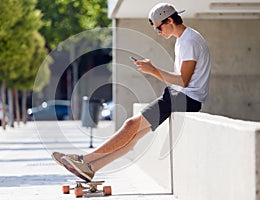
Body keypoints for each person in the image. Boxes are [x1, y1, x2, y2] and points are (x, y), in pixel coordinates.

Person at [52, 3, 211, 182]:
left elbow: (183, 80)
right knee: (133, 137)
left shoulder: (189, 41)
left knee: (130, 125)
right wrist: (152, 70)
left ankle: (84, 160)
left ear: (170, 20)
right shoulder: (183, 39)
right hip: (180, 97)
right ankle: (91, 168)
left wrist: (152, 70)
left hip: (184, 98)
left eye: (159, 28)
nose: (158, 32)